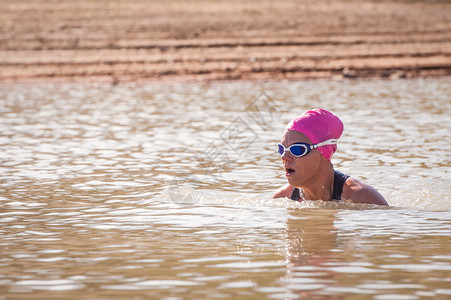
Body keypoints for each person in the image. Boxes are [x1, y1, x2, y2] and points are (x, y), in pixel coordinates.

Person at [272, 108, 388, 206]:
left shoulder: (361, 197)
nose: (284, 157)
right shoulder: (282, 198)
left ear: (324, 152)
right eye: (282, 149)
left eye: (297, 149)